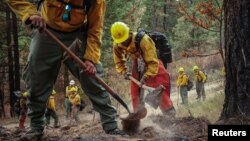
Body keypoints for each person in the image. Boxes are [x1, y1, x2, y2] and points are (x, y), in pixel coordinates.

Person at [6, 0, 127, 140]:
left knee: (92, 78)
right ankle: (36, 127)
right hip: (46, 30)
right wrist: (30, 13)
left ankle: (111, 125)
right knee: (36, 80)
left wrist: (90, 58)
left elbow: (95, 28)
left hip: (77, 35)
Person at [110, 22, 176, 117]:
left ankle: (169, 113)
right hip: (137, 62)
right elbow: (118, 60)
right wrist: (123, 71)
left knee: (159, 86)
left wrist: (146, 76)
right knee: (134, 90)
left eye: (125, 40)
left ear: (129, 32)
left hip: (153, 61)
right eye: (121, 41)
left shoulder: (144, 40)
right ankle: (138, 113)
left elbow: (153, 62)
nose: (123, 42)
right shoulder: (117, 43)